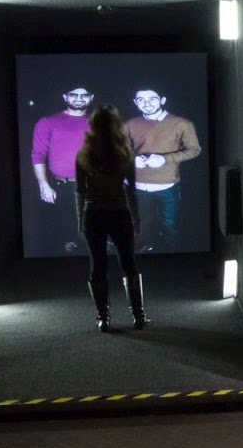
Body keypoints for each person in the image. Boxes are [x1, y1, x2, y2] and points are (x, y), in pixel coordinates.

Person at [75, 105, 148, 332]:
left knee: (98, 264)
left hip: (93, 214)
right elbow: (132, 191)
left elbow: (80, 191)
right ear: (116, 126)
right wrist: (136, 219)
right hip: (119, 213)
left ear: (93, 126)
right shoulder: (125, 153)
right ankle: (138, 316)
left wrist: (80, 220)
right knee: (128, 262)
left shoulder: (83, 155)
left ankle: (103, 319)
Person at [124, 87, 201, 253]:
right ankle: (145, 254)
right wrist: (132, 159)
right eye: (141, 100)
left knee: (169, 225)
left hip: (166, 186)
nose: (147, 104)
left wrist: (164, 159)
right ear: (135, 102)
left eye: (152, 99)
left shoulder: (182, 124)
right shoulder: (130, 124)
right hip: (136, 186)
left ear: (162, 100)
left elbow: (194, 150)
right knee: (141, 224)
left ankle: (169, 256)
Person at [30, 85, 94, 253]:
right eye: (74, 94)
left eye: (84, 95)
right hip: (61, 187)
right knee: (62, 237)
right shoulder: (48, 122)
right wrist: (43, 185)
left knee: (91, 235)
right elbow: (38, 155)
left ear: (91, 97)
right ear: (65, 97)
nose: (79, 98)